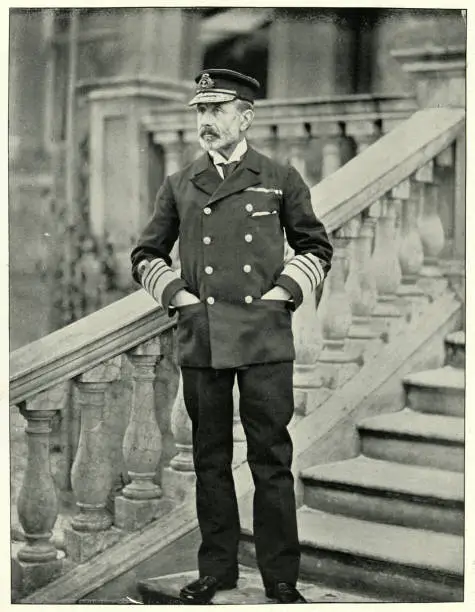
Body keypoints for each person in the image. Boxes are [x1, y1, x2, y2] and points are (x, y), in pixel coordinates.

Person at [131, 68, 333, 604]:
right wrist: (180, 298)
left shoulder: (279, 177)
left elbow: (316, 247)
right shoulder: (179, 184)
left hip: (265, 338)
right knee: (210, 460)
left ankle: (281, 577)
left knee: (271, 459)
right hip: (205, 338)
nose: (207, 121)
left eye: (218, 110)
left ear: (246, 115)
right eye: (201, 111)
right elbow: (145, 255)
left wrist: (282, 292)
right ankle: (217, 570)